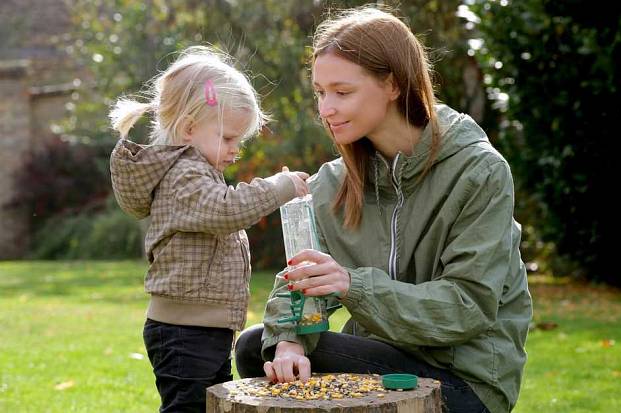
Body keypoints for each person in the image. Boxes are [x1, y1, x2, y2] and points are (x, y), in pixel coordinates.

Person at [234, 7, 532, 413]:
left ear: (391, 84)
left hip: (465, 381)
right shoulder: (333, 184)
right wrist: (289, 340)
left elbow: (469, 306)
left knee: (256, 348)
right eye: (320, 93)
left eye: (342, 92)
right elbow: (298, 281)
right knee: (260, 348)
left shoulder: (479, 172)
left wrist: (352, 286)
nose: (326, 109)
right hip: (379, 359)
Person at [108, 46, 309, 413]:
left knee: (213, 406)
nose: (236, 151)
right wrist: (278, 187)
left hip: (203, 329)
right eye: (228, 138)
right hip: (185, 332)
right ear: (188, 129)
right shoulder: (184, 175)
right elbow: (226, 210)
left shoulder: (197, 172)